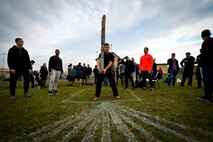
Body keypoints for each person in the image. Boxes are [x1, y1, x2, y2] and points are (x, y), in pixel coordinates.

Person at [198, 29, 213, 102]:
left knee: (207, 80)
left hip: (207, 65)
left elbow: (205, 55)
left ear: (202, 36)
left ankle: (208, 96)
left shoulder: (205, 42)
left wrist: (200, 58)